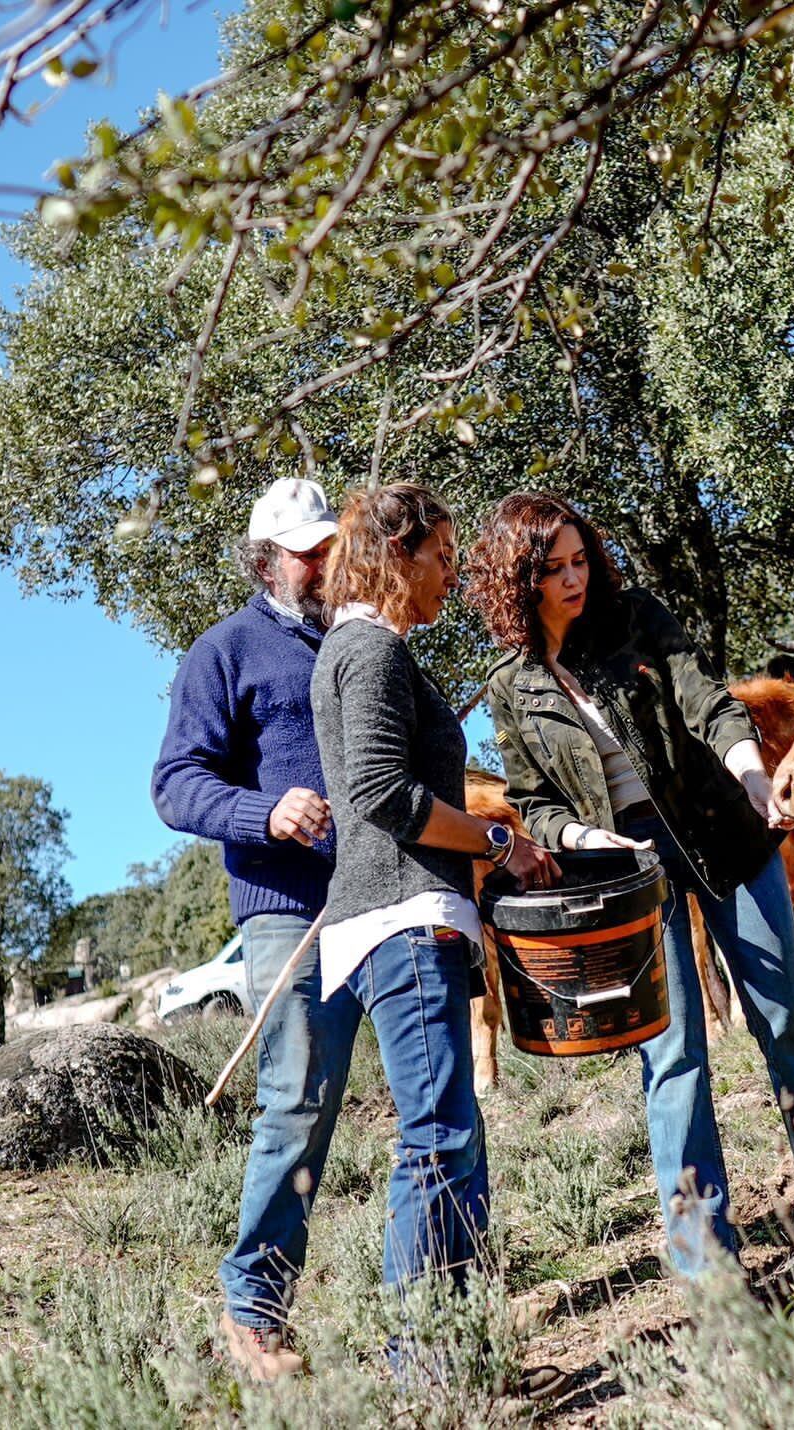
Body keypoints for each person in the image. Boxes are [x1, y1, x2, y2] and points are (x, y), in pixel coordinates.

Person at [464, 491, 794, 1278]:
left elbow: (709, 704)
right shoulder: (511, 682)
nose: (574, 580)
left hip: (724, 833)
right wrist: (578, 836)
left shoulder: (637, 617)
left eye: (579, 561)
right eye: (552, 569)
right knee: (673, 1057)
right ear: (516, 578)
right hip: (626, 868)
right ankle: (705, 1257)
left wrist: (756, 777)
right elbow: (532, 797)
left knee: (787, 1023)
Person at [309, 482, 557, 1353]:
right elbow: (382, 794)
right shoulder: (369, 654)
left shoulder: (368, 652)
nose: (453, 575)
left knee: (450, 1126)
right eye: (442, 557)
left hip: (411, 917)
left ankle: (459, 1318)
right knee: (437, 1134)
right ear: (396, 555)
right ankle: (422, 1354)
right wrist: (494, 838)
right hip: (402, 920)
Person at [150, 476, 345, 1382]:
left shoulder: (362, 640)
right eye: (308, 550)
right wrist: (263, 813)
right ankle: (253, 1314)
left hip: (387, 897)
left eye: (330, 544)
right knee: (297, 1100)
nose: (324, 561)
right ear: (268, 563)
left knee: (440, 1087)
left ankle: (445, 1290)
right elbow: (176, 783)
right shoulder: (224, 651)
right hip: (287, 910)